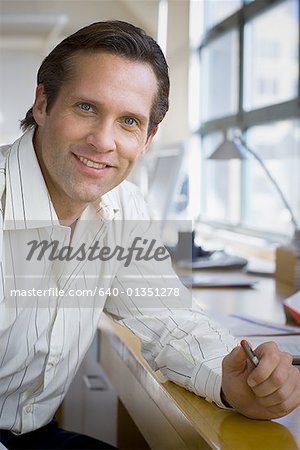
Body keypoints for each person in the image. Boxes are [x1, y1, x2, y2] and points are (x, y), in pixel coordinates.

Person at [0, 20, 299, 449]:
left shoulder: (123, 207)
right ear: (43, 104)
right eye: (86, 107)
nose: (104, 140)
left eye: (128, 121)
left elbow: (169, 321)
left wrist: (236, 381)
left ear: (147, 138)